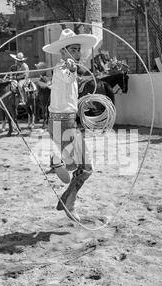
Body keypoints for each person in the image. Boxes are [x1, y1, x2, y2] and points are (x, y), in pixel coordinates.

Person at [42, 28, 98, 222]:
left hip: (63, 121)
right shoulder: (61, 69)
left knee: (83, 166)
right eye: (73, 49)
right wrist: (72, 69)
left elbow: (69, 83)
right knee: (86, 167)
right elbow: (67, 75)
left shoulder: (64, 69)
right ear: (64, 51)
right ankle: (68, 200)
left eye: (78, 49)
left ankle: (66, 194)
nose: (77, 53)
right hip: (63, 122)